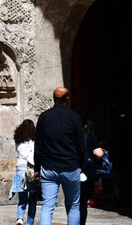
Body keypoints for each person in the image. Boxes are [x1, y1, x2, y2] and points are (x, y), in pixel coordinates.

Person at [34, 86, 87, 225]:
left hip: (49, 168)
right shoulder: (74, 117)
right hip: (70, 167)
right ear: (67, 99)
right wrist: (82, 164)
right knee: (74, 207)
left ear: (54, 99)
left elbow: (38, 145)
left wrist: (37, 167)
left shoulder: (44, 117)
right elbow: (81, 144)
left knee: (47, 206)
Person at [8, 119, 37, 225]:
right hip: (31, 170)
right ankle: (30, 222)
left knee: (22, 198)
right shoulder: (34, 141)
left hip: (20, 169)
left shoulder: (18, 140)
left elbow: (17, 152)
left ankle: (20, 218)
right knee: (33, 198)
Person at [79, 118, 105, 225]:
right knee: (83, 202)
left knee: (72, 201)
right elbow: (99, 154)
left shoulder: (69, 136)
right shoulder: (89, 136)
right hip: (85, 172)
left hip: (71, 170)